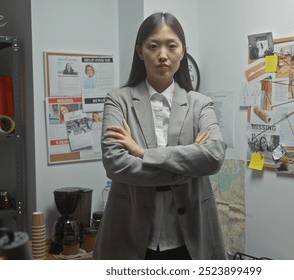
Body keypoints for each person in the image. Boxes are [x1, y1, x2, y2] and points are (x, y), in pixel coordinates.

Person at [93, 12, 227, 260]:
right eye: (153, 46)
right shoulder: (118, 101)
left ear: (182, 51)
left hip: (189, 237)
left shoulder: (200, 104)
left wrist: (143, 153)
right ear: (140, 51)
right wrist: (189, 166)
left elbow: (214, 157)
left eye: (171, 45)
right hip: (130, 233)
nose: (162, 55)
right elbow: (115, 164)